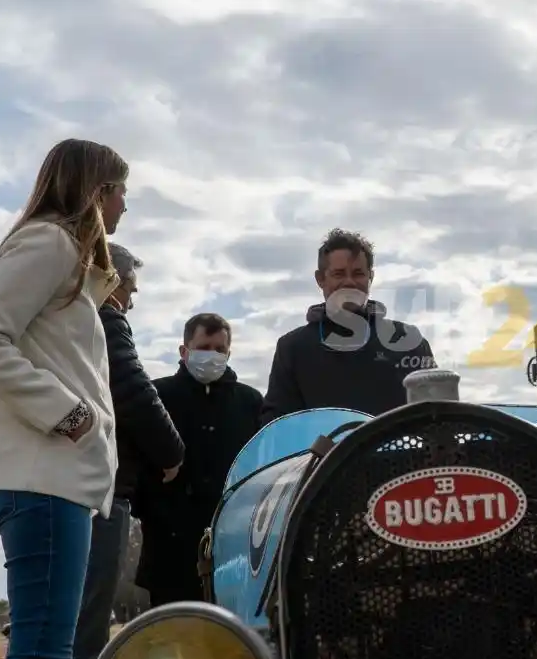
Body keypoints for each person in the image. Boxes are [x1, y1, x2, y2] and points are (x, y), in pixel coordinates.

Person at [0, 138, 130, 659]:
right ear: (96, 192)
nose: (125, 206)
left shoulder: (70, 263)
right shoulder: (49, 243)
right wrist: (68, 414)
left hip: (49, 480)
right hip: (40, 479)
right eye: (120, 191)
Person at [48, 243, 184, 659]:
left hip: (60, 489)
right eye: (131, 288)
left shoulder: (61, 320)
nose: (132, 300)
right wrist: (171, 451)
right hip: (99, 492)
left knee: (61, 638)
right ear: (111, 279)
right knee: (84, 643)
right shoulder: (105, 318)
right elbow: (133, 390)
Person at [135, 313, 263, 607]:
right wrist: (151, 507)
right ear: (184, 351)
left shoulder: (250, 402)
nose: (212, 355)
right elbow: (136, 461)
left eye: (220, 349)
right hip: (169, 546)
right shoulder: (156, 397)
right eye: (204, 347)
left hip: (234, 548)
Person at [259, 228, 436, 424]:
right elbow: (277, 424)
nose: (349, 282)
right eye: (339, 274)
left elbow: (437, 413)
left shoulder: (408, 341)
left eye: (358, 274)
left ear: (370, 277)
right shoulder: (292, 348)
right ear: (320, 279)